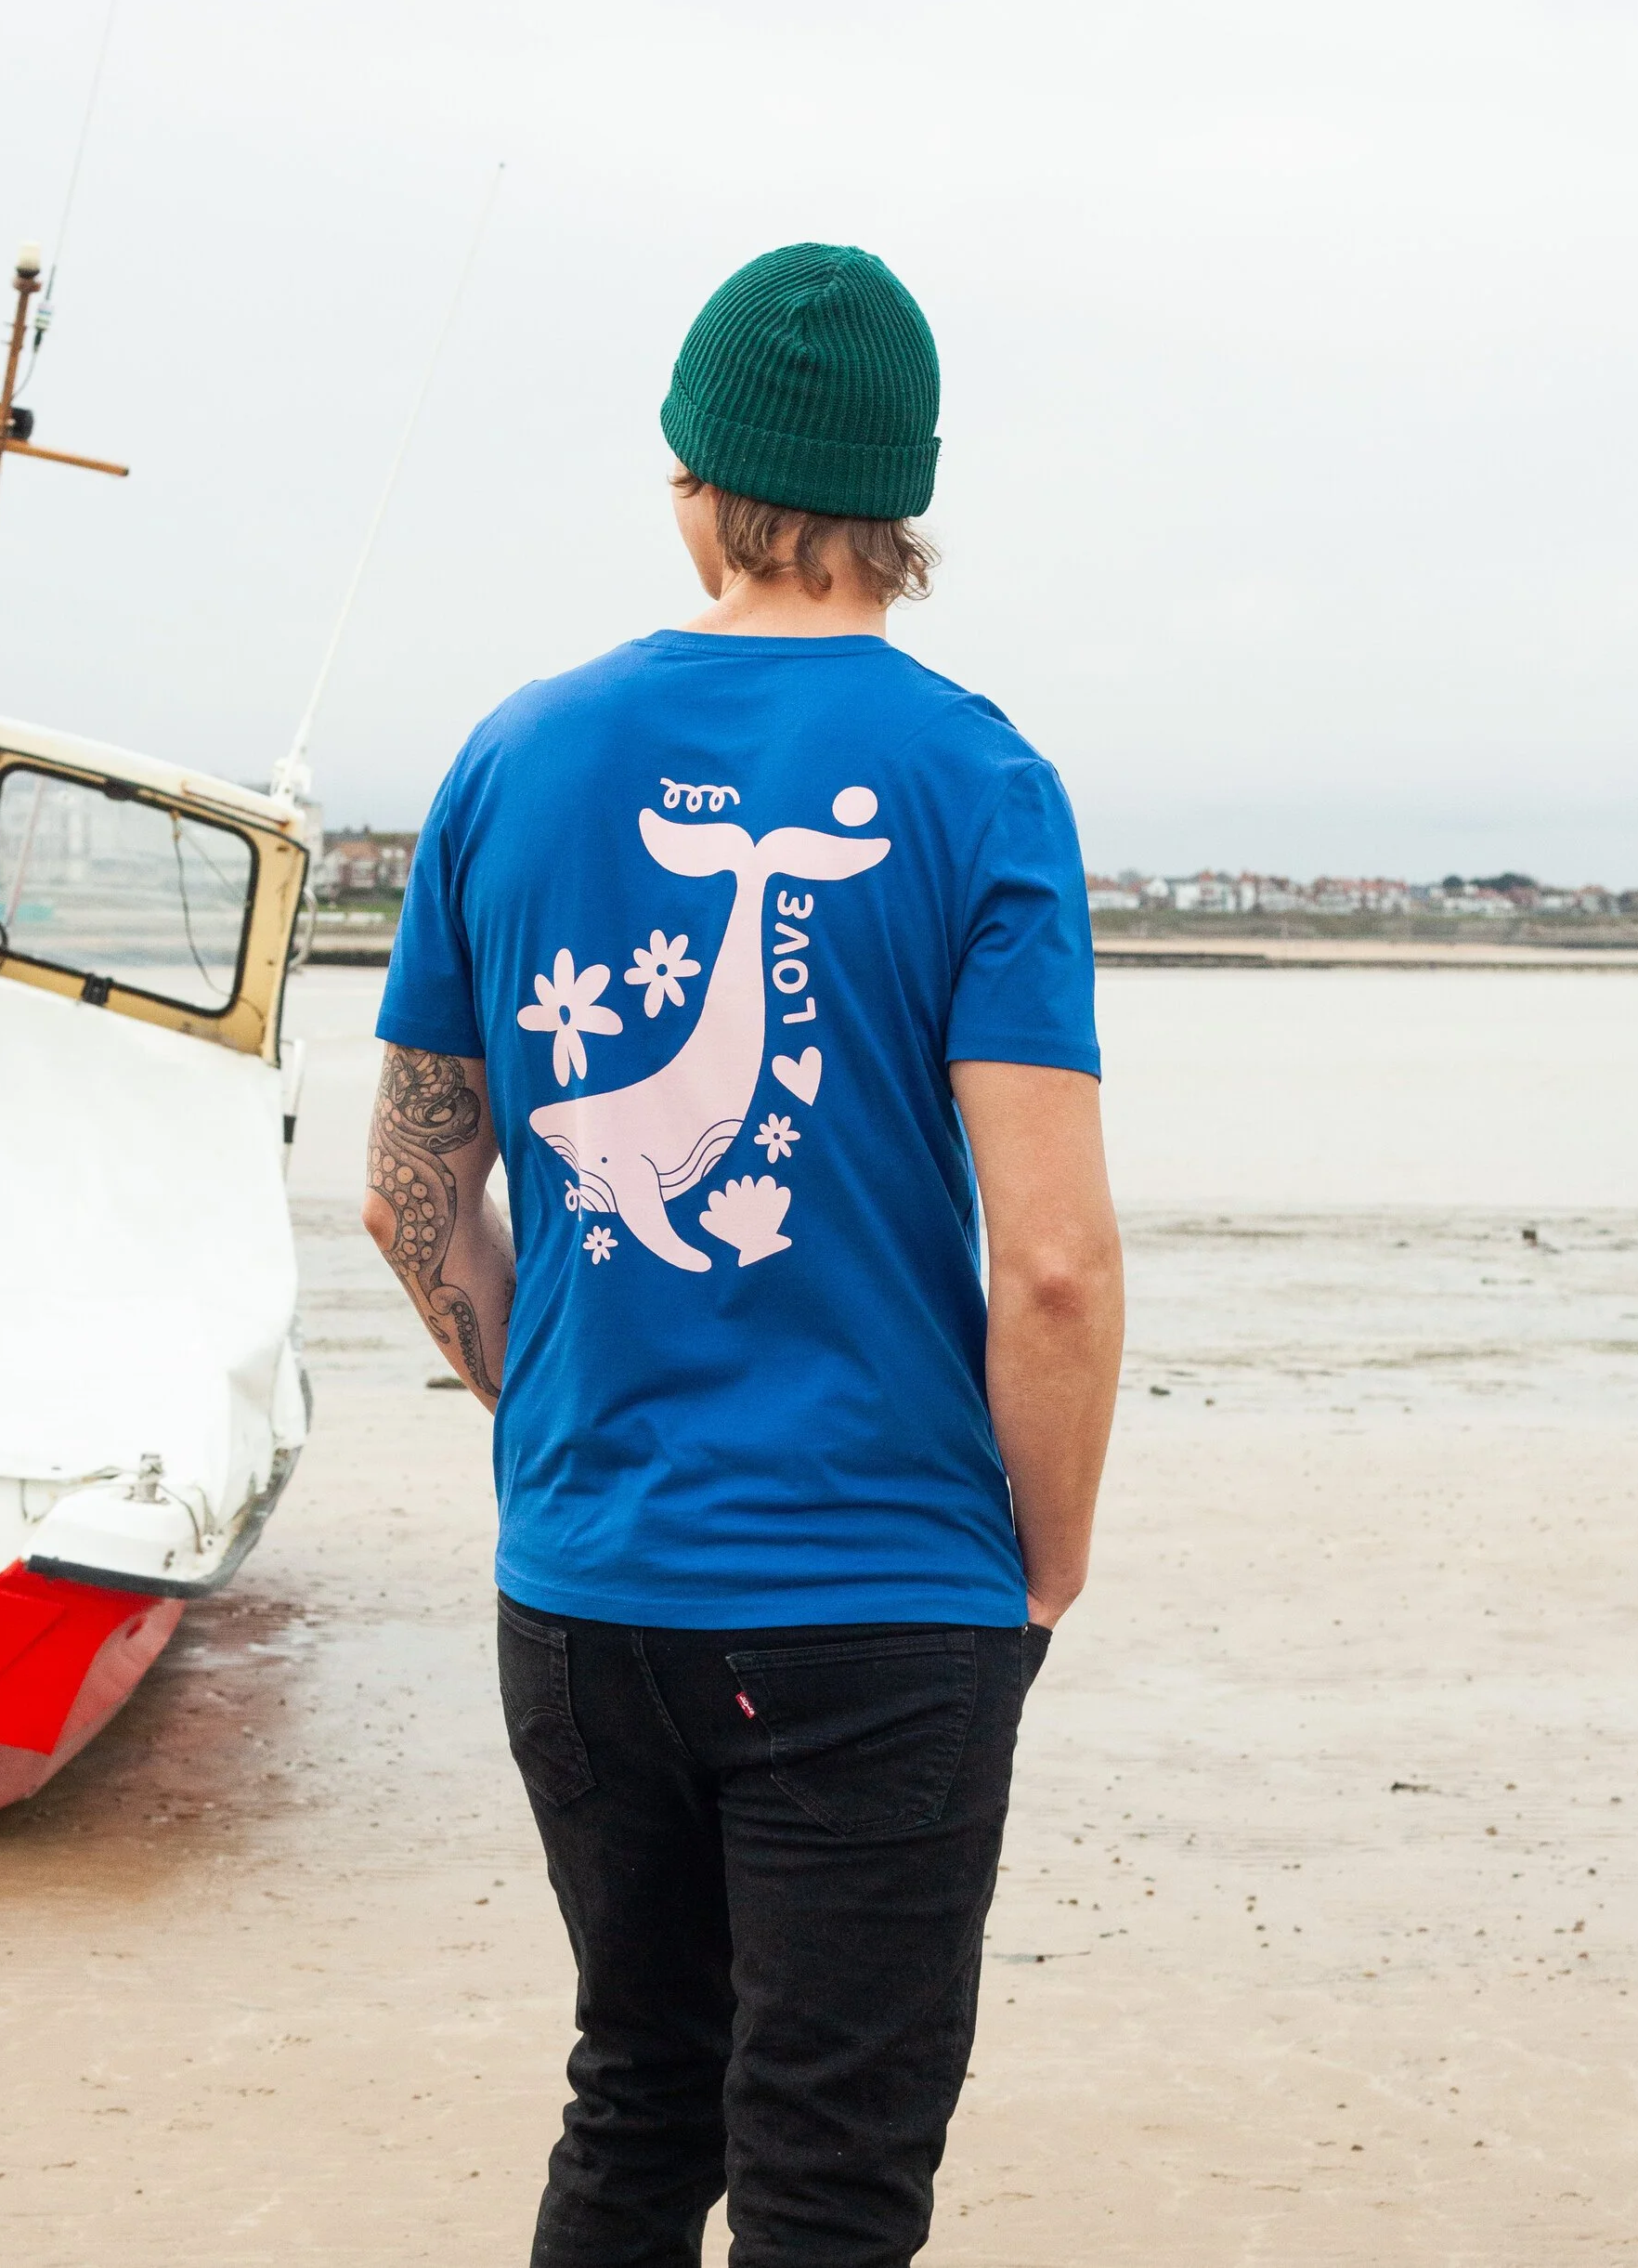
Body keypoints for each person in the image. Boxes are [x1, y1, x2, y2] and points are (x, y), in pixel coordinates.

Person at [363, 242, 1123, 2268]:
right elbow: (1053, 1263)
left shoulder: (514, 754)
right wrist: (1041, 1559)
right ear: (902, 501)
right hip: (880, 1598)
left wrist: (546, 1417)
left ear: (698, 481)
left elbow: (410, 1192)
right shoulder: (979, 779)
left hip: (584, 1585)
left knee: (637, 2099)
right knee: (827, 2175)